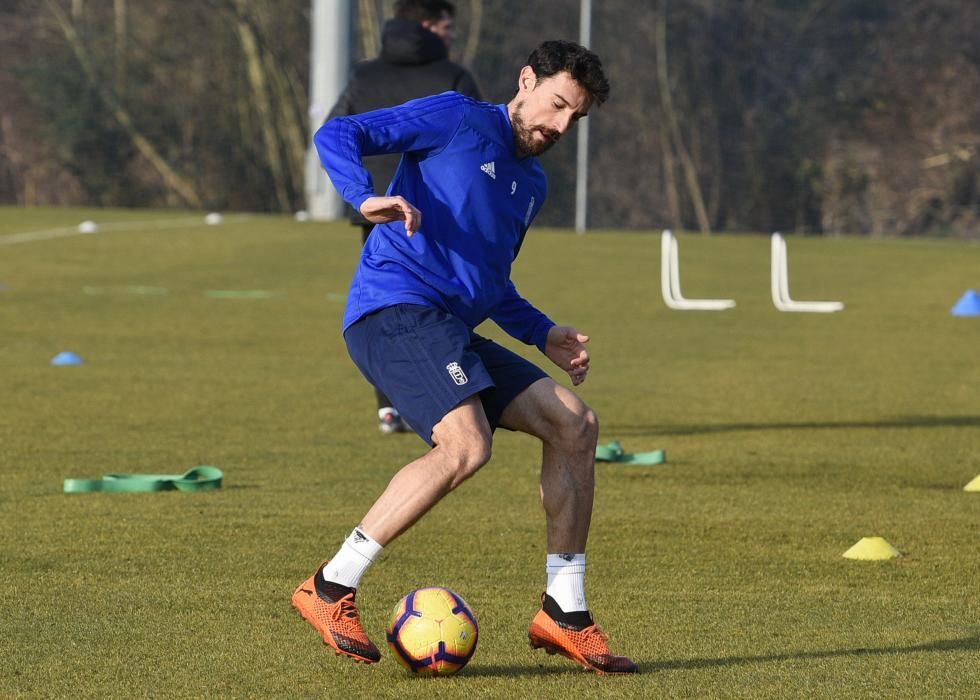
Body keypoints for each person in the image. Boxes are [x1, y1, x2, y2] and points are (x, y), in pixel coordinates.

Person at [293, 40, 637, 675]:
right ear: (526, 80)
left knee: (575, 423)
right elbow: (339, 133)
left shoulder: (532, 184)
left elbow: (489, 282)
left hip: (447, 328)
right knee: (466, 445)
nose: (561, 125)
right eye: (557, 104)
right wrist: (363, 197)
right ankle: (331, 585)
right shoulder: (456, 117)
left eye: (576, 117)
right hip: (393, 310)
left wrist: (543, 332)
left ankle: (564, 609)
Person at [327, 0, 482, 435]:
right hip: (439, 211)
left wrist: (363, 193)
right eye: (447, 26)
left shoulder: (364, 75)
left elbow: (336, 129)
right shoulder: (453, 79)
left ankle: (389, 407)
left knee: (384, 302)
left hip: (376, 209)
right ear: (429, 25)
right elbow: (479, 141)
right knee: (440, 301)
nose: (452, 35)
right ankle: (445, 397)